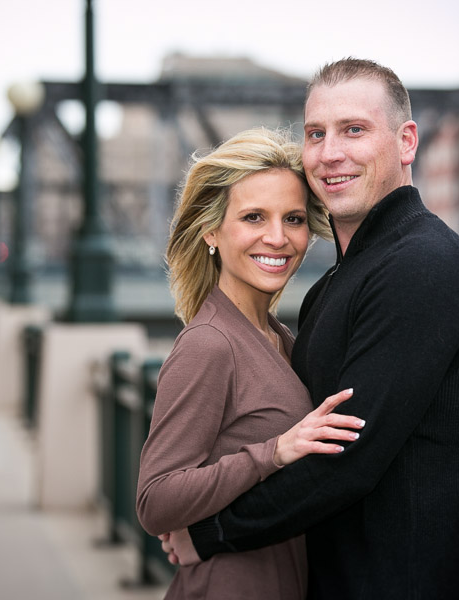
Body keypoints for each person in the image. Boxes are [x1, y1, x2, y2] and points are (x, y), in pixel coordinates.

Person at [163, 58, 459, 599]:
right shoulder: (334, 286)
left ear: (407, 141)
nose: (330, 153)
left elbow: (347, 461)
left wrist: (211, 532)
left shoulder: (424, 265)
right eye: (316, 133)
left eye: (355, 130)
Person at [136, 126, 366, 599]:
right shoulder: (210, 343)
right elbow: (155, 500)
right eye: (254, 217)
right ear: (211, 231)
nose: (278, 238)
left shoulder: (280, 338)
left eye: (295, 219)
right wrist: (274, 452)